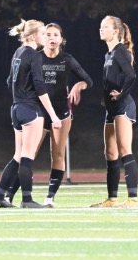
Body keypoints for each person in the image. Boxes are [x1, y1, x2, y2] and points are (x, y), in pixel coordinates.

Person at [5, 23, 93, 207]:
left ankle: (50, 198)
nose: (52, 38)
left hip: (61, 112)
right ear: (42, 37)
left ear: (61, 39)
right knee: (28, 154)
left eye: (55, 35)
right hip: (39, 113)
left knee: (58, 154)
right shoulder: (36, 57)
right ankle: (10, 195)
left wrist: (79, 85)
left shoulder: (67, 59)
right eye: (48, 34)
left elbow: (88, 80)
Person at [0, 19, 62, 209]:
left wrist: (20, 96)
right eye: (43, 33)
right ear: (33, 36)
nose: (45, 37)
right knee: (27, 156)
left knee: (18, 156)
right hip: (30, 110)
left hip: (16, 109)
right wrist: (53, 115)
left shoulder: (18, 52)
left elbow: (9, 81)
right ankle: (27, 200)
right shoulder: (34, 55)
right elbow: (39, 87)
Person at [91, 15, 138, 208]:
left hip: (123, 106)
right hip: (111, 109)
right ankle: (112, 199)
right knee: (110, 153)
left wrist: (121, 95)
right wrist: (106, 97)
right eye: (101, 26)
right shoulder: (109, 54)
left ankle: (133, 199)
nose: (101, 29)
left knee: (124, 150)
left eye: (105, 27)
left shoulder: (120, 51)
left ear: (116, 32)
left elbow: (131, 76)